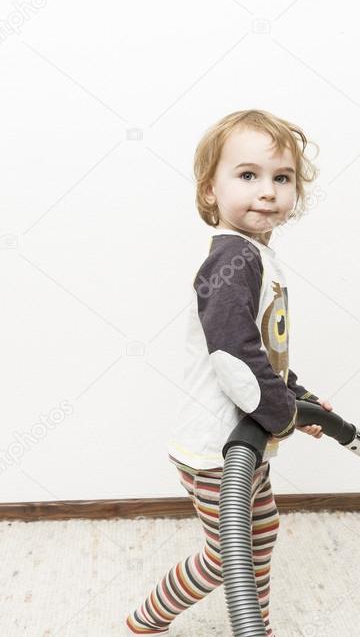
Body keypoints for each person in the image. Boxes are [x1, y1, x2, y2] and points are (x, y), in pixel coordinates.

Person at [125, 109, 334, 635]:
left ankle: (254, 623)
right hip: (217, 445)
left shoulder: (256, 256)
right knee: (229, 553)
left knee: (256, 538)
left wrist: (297, 397)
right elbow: (233, 355)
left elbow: (264, 350)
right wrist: (281, 412)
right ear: (210, 191)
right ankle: (148, 620)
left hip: (247, 436)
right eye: (248, 176)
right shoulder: (231, 262)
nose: (267, 191)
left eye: (281, 178)